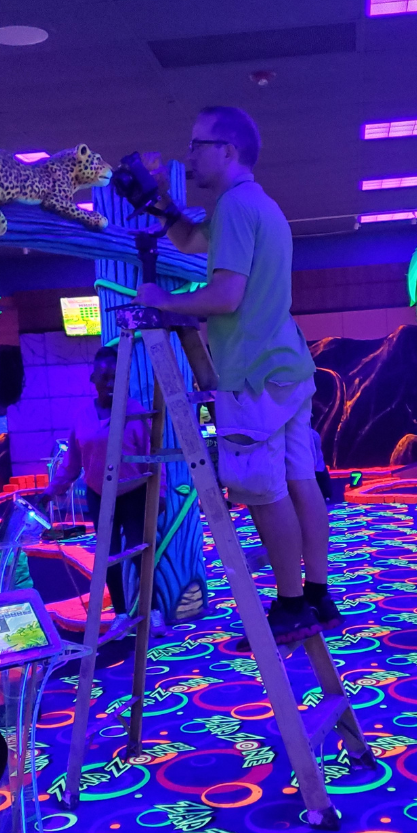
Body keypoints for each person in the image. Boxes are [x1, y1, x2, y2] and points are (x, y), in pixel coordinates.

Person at [132, 105, 339, 645]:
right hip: (289, 368)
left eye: (197, 144)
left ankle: (291, 606)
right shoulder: (260, 206)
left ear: (228, 150)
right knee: (300, 482)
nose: (189, 154)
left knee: (261, 491)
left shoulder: (233, 208)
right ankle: (316, 594)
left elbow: (226, 296)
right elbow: (191, 243)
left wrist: (163, 300)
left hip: (252, 375)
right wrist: (166, 208)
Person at [45, 346, 160, 627]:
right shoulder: (83, 416)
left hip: (133, 492)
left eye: (115, 378)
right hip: (99, 494)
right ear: (93, 379)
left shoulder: (136, 413)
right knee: (108, 555)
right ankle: (121, 614)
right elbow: (72, 462)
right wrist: (51, 491)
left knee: (139, 552)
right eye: (104, 377)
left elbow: (153, 456)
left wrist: (162, 492)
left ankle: (154, 611)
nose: (109, 384)